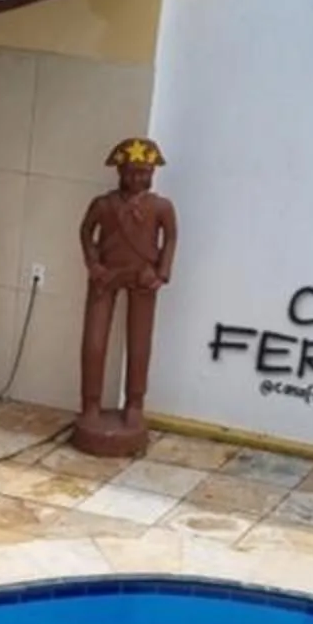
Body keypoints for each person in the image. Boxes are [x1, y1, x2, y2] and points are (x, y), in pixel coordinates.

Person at [76, 137, 178, 455]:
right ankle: (90, 403)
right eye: (132, 172)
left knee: (139, 343)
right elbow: (85, 232)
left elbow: (171, 237)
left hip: (143, 278)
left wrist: (161, 273)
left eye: (145, 172)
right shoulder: (104, 204)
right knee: (94, 342)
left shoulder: (161, 207)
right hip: (106, 277)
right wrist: (94, 265)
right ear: (120, 172)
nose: (138, 179)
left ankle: (135, 402)